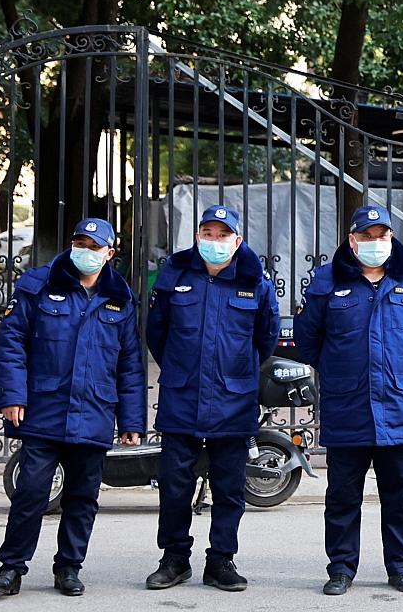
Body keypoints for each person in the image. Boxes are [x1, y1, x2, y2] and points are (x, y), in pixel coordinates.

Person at [0, 218, 146, 597]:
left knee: (82, 498)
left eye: (94, 246)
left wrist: (132, 420)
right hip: (44, 409)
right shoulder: (38, 286)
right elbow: (12, 344)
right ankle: (11, 568)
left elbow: (130, 365)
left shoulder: (120, 299)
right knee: (30, 492)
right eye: (79, 242)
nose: (85, 251)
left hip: (94, 412)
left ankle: (69, 568)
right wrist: (11, 396)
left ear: (109, 254)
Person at [294, 203, 403, 595]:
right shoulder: (327, 282)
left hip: (399, 405)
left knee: (399, 496)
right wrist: (339, 366)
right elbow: (308, 339)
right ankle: (341, 568)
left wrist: (402, 365)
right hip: (348, 406)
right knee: (343, 496)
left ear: (391, 239)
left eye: (382, 236)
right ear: (352, 240)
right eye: (367, 237)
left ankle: (400, 567)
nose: (375, 243)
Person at [144, 204, 280, 591]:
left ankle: (221, 560)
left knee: (229, 488)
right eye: (208, 233)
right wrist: (182, 366)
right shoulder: (175, 275)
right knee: (174, 486)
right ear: (198, 237)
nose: (215, 241)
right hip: (182, 396)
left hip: (233, 400)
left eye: (223, 235)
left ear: (237, 241)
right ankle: (174, 559)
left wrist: (235, 370)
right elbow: (158, 334)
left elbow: (264, 339)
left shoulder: (255, 282)